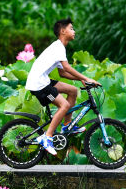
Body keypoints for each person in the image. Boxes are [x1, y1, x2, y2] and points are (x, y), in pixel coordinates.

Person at [23, 18, 100, 156]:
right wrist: (85, 78)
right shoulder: (58, 47)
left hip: (43, 80)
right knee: (64, 105)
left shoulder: (59, 47)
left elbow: (62, 73)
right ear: (63, 31)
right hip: (39, 84)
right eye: (71, 28)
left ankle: (66, 125)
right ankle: (47, 137)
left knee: (72, 90)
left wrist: (80, 80)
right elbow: (66, 67)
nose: (74, 31)